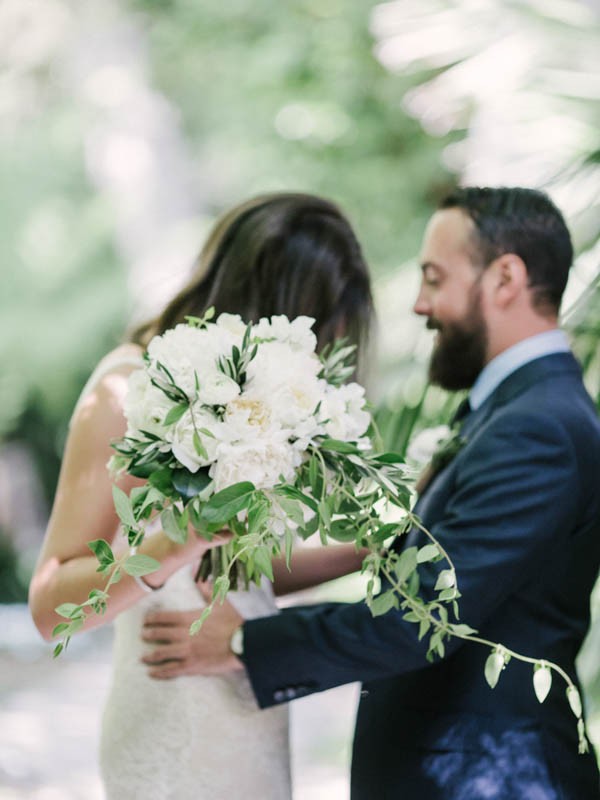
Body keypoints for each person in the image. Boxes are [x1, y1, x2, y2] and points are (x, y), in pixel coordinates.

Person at [152, 187, 600, 799]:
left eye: (435, 278)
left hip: (492, 781)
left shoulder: (538, 426)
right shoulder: (515, 412)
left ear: (505, 278)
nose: (420, 304)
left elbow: (425, 618)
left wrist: (238, 642)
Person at [28, 192, 374, 800]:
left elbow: (243, 576)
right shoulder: (129, 389)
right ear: (273, 307)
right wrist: (172, 543)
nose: (328, 346)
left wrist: (368, 547)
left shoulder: (263, 408)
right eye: (321, 320)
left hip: (247, 714)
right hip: (175, 725)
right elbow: (50, 603)